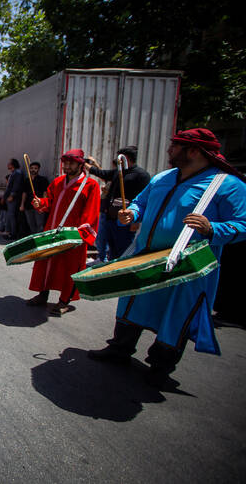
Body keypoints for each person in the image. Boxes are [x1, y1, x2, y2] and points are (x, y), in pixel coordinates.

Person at [87, 129, 246, 387]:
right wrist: (133, 213)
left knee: (175, 315)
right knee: (132, 301)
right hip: (146, 257)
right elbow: (141, 202)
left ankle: (160, 367)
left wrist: (213, 229)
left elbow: (243, 224)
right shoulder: (163, 177)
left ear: (193, 151)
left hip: (185, 267)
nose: (169, 150)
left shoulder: (227, 185)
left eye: (175, 146)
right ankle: (120, 349)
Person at [27, 149, 101, 316]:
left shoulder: (91, 186)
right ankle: (42, 295)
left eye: (71, 163)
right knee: (45, 263)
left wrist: (79, 235)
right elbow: (49, 202)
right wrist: (40, 203)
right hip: (53, 231)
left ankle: (64, 301)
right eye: (65, 162)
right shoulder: (58, 182)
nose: (67, 166)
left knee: (70, 268)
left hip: (73, 235)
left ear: (80, 164)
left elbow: (91, 214)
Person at [87, 146, 151, 261]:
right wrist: (88, 166)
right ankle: (104, 264)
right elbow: (103, 173)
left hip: (125, 220)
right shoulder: (119, 172)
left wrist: (136, 221)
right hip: (109, 217)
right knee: (105, 245)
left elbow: (144, 200)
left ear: (125, 158)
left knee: (122, 249)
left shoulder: (141, 175)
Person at [21, 161, 49, 235]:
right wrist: (22, 204)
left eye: (35, 168)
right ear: (29, 169)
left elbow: (45, 193)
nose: (33, 170)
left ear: (38, 169)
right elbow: (24, 193)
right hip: (28, 205)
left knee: (40, 224)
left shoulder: (43, 180)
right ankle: (33, 238)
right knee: (31, 224)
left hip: (39, 205)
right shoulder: (27, 180)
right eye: (32, 168)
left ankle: (40, 240)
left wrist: (43, 204)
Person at [3, 158, 24, 240]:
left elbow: (16, 185)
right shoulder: (14, 173)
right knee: (10, 216)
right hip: (11, 198)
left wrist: (12, 195)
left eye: (9, 163)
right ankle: (10, 232)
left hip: (14, 199)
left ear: (13, 164)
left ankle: (13, 233)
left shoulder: (17, 173)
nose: (8, 165)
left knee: (12, 216)